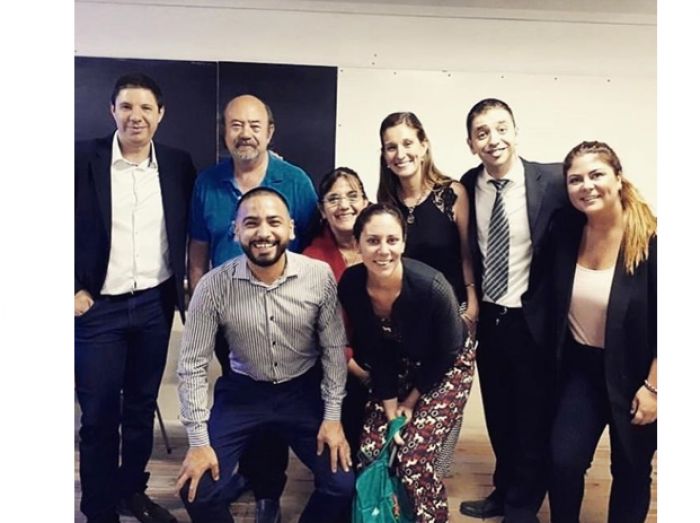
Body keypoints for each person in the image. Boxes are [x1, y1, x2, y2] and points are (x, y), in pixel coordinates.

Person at [176, 187, 355, 523]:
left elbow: (333, 350)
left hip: (303, 391)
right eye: (251, 223)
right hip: (243, 392)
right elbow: (192, 366)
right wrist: (198, 442)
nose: (263, 232)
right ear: (236, 231)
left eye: (274, 222)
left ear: (290, 228)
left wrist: (332, 418)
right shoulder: (213, 286)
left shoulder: (318, 276)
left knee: (341, 485)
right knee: (196, 491)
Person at [187, 94, 318, 521]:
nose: (245, 134)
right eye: (236, 125)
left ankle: (268, 492)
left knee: (276, 393)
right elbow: (198, 249)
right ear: (224, 132)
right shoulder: (207, 183)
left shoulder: (295, 181)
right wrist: (198, 304)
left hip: (286, 314)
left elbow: (313, 246)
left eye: (254, 125)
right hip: (226, 314)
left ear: (270, 132)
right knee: (244, 393)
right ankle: (249, 473)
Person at [75, 73, 196, 523]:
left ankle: (131, 492)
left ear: (160, 114)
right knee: (99, 416)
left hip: (153, 306)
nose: (136, 116)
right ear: (112, 111)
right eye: (126, 106)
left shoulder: (178, 164)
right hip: (98, 309)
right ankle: (98, 508)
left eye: (146, 107)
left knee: (141, 409)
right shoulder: (80, 158)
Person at [458, 98, 567, 523]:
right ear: (471, 143)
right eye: (482, 132)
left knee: (531, 419)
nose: (493, 139)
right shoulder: (468, 185)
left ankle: (523, 507)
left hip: (533, 320)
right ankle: (504, 492)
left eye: (501, 128)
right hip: (492, 319)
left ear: (516, 132)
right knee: (500, 415)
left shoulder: (552, 181)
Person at [338, 203, 476, 523]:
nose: (383, 250)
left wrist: (411, 401)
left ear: (403, 242)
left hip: (446, 366)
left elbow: (447, 353)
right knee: (372, 448)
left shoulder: (432, 286)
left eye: (392, 240)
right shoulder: (352, 283)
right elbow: (375, 348)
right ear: (357, 243)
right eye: (373, 241)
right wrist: (391, 409)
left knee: (414, 459)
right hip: (398, 362)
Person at [548, 141, 657, 523]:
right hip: (582, 370)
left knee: (631, 469)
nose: (586, 186)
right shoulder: (567, 231)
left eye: (596, 175)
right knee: (562, 462)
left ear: (618, 178)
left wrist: (654, 388)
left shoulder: (653, 242)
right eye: (576, 179)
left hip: (638, 375)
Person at [377, 111, 479, 477]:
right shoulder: (386, 202)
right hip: (405, 322)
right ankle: (407, 478)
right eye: (391, 146)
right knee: (410, 403)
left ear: (423, 145)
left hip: (453, 314)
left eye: (407, 143)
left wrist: (472, 303)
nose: (400, 153)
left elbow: (467, 254)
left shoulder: (452, 193)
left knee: (443, 401)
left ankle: (434, 474)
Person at [302, 167, 370, 465]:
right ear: (322, 209)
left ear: (365, 202)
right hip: (338, 363)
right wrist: (359, 371)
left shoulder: (380, 243)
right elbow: (319, 332)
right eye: (334, 198)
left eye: (352, 196)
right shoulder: (311, 259)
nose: (344, 205)